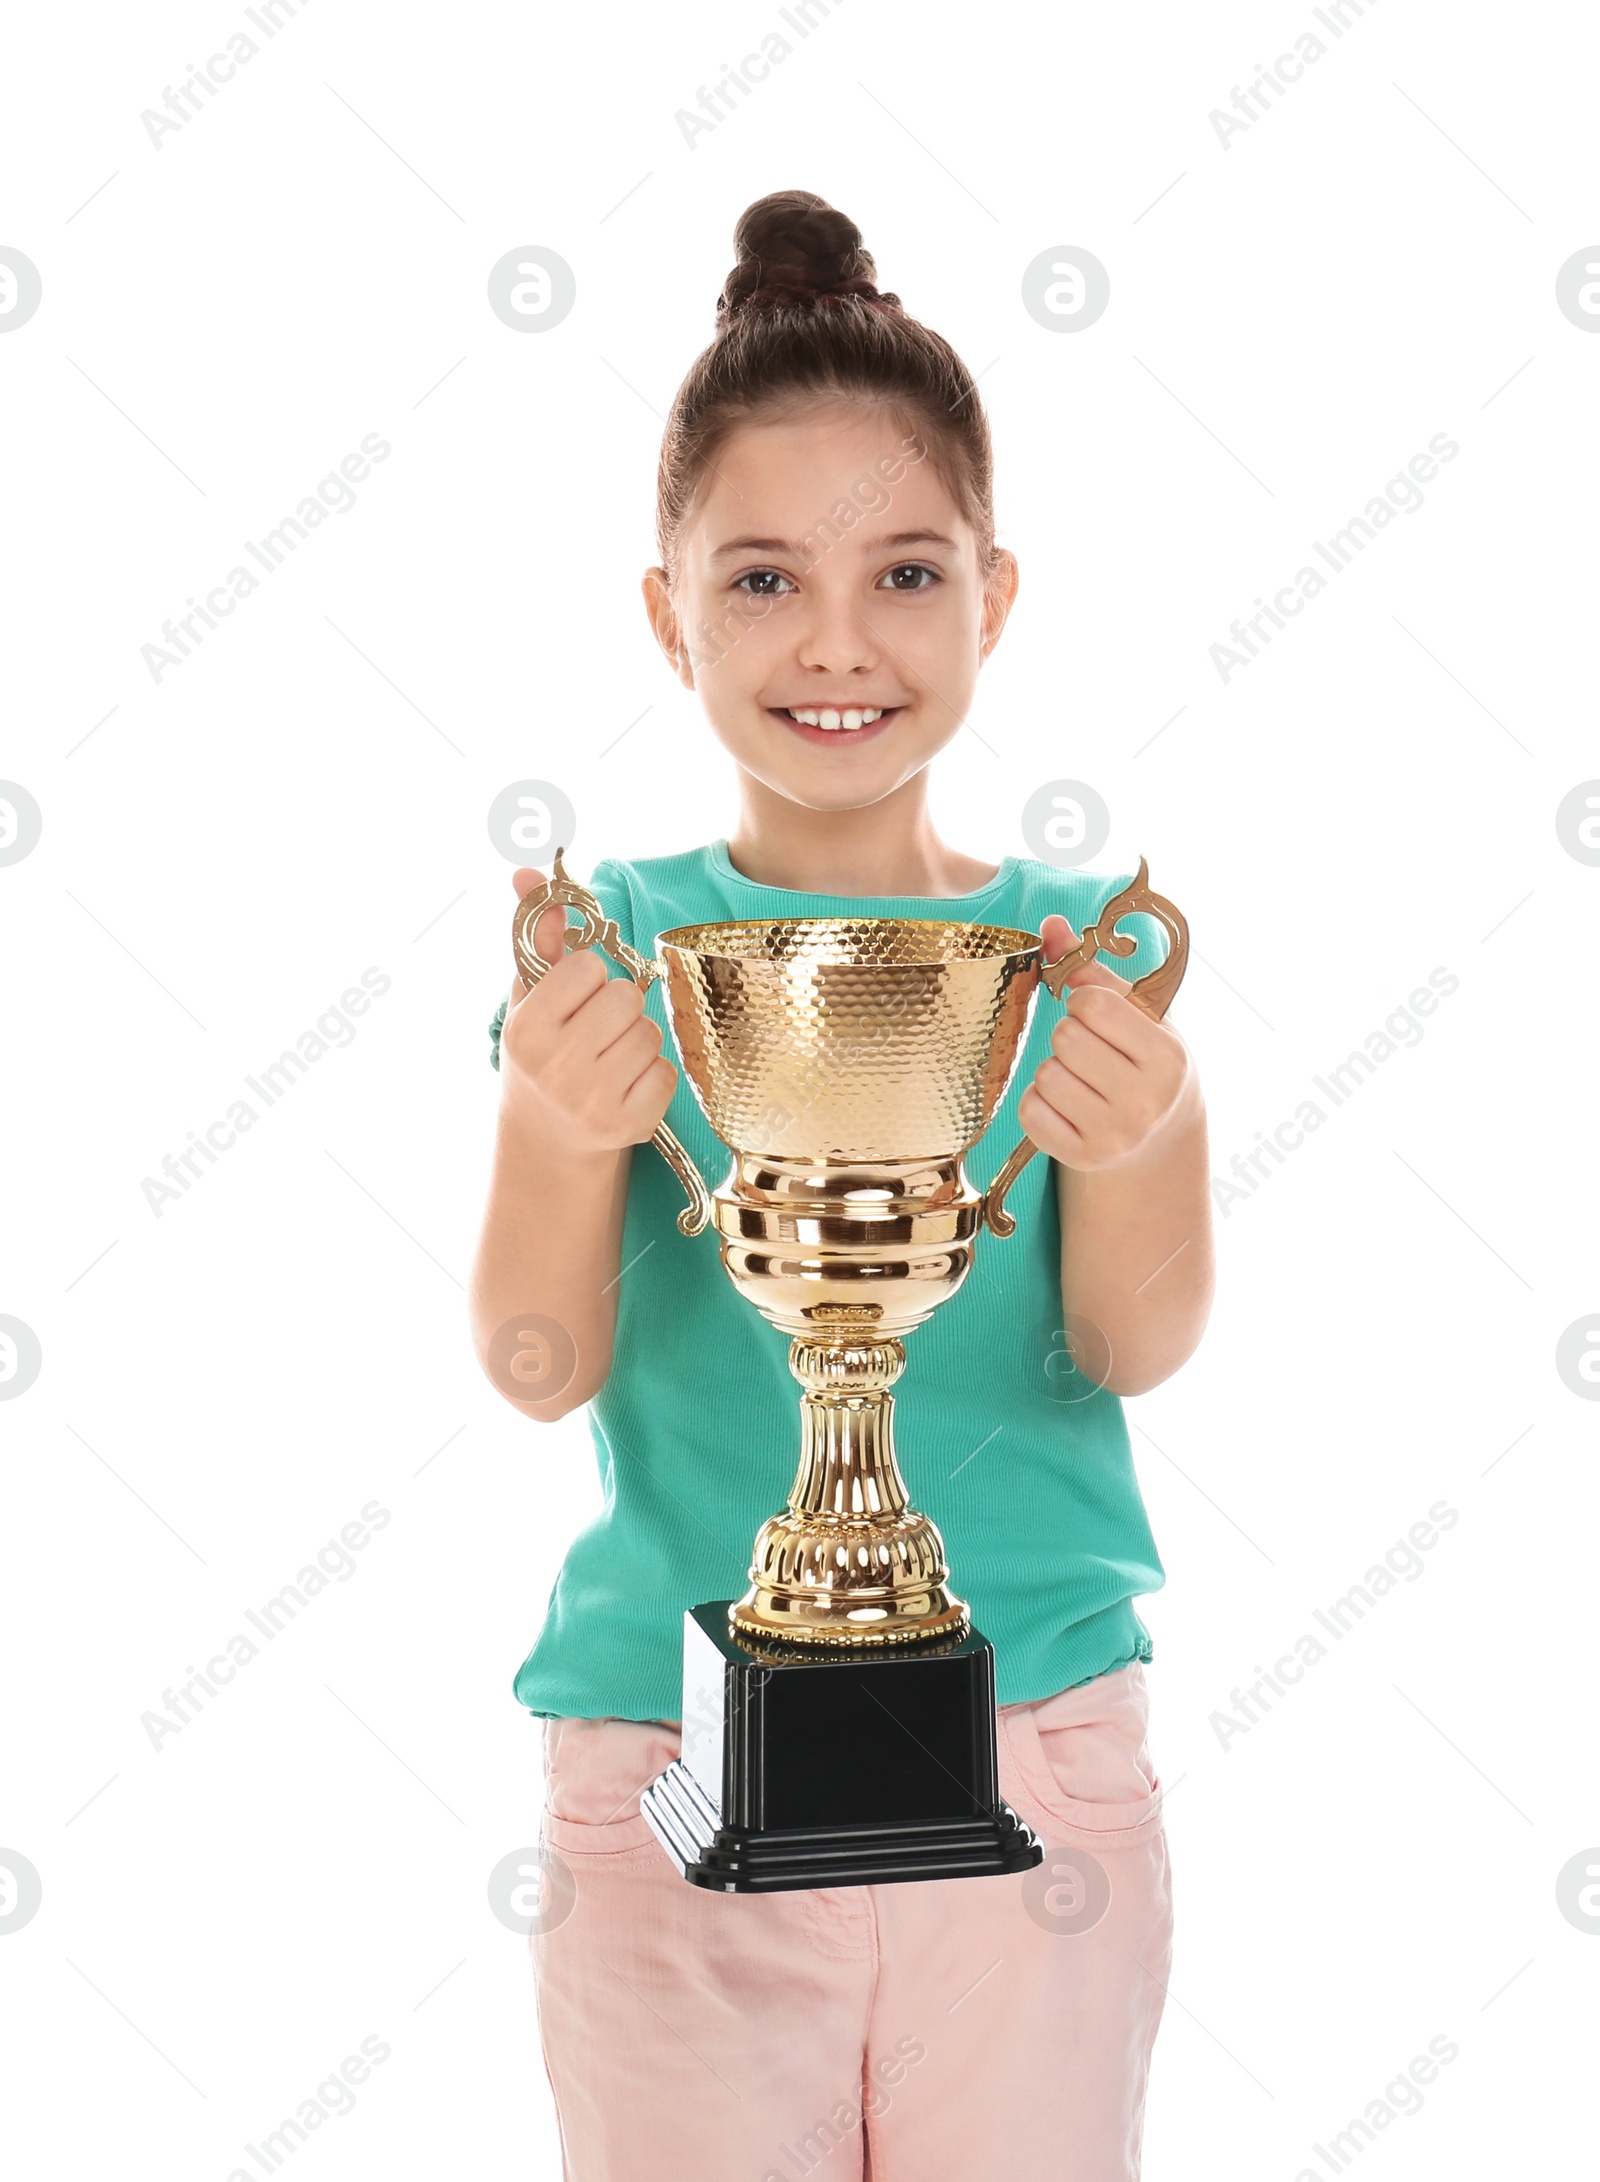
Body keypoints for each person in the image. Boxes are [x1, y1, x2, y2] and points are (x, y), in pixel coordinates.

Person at [471, 189, 1214, 2182]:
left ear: (993, 592)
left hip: (1033, 1737)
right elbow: (536, 1362)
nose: (834, 642)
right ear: (668, 611)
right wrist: (560, 1123)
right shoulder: (606, 950)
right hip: (662, 1750)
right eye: (761, 580)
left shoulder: (1081, 955)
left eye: (902, 573)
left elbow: (1131, 1338)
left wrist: (1134, 1139)